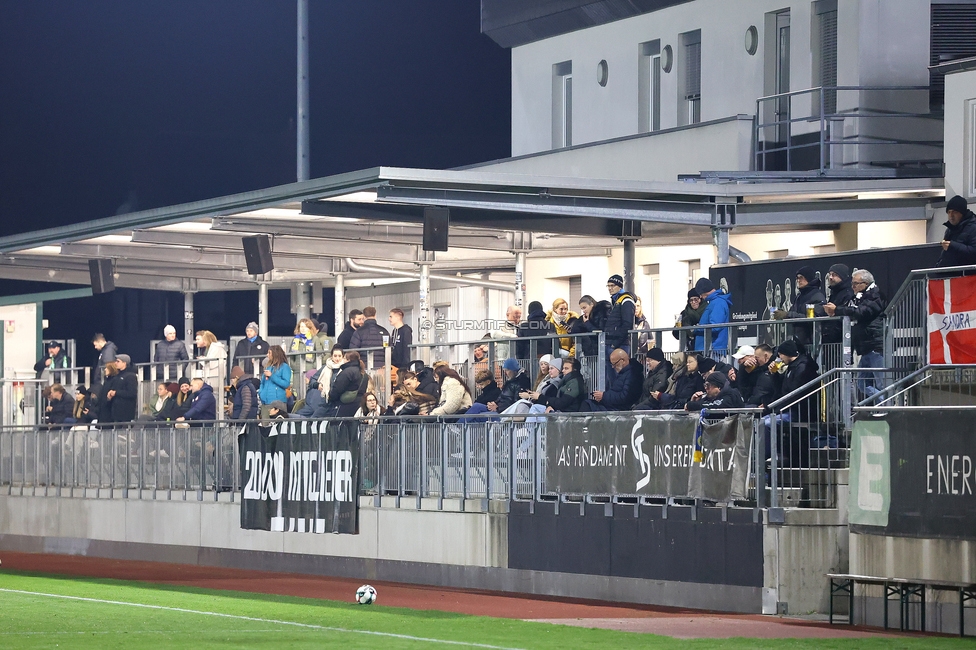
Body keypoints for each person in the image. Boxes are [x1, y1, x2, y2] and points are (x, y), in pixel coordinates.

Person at [825, 268, 886, 398]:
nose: (852, 287)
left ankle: (887, 408)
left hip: (876, 345)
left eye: (855, 284)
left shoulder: (876, 295)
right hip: (865, 347)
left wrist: (838, 310)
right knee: (862, 383)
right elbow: (853, 310)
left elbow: (861, 312)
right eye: (852, 284)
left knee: (882, 384)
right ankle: (883, 403)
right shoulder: (858, 297)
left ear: (865, 283)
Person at [774, 266, 826, 348]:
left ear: (808, 278)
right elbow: (794, 313)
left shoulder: (817, 296)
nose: (798, 280)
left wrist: (787, 315)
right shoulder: (799, 296)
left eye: (801, 278)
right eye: (797, 278)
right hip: (799, 342)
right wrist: (783, 314)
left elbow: (813, 319)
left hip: (811, 342)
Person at [462, 357, 530, 419]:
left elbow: (515, 403)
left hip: (505, 412)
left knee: (478, 414)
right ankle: (460, 428)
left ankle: (459, 428)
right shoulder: (510, 381)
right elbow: (503, 397)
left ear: (513, 370)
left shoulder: (522, 382)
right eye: (504, 370)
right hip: (501, 409)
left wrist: (498, 407)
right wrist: (495, 403)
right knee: (477, 408)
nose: (505, 373)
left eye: (507, 370)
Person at [316, 350, 368, 418]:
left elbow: (337, 389)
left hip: (344, 405)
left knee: (336, 426)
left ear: (348, 360)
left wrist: (330, 397)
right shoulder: (363, 373)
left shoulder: (346, 372)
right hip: (358, 405)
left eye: (344, 358)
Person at [814, 264, 855, 348]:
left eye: (835, 275)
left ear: (843, 276)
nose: (831, 277)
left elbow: (849, 312)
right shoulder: (835, 292)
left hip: (841, 338)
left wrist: (835, 310)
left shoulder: (848, 293)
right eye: (830, 274)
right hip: (831, 338)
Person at [692, 277, 733, 353]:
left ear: (704, 291)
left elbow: (715, 326)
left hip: (713, 349)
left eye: (700, 293)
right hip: (711, 349)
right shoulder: (716, 302)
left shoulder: (717, 303)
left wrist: (697, 329)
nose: (700, 296)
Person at [938, 195, 976, 267]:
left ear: (962, 213)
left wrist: (952, 246)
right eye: (949, 212)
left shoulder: (973, 228)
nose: (951, 215)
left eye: (954, 212)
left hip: (967, 275)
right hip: (952, 274)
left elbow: (974, 252)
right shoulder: (949, 230)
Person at [603, 275, 636, 357]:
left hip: (619, 344)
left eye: (612, 285)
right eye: (608, 285)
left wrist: (615, 344)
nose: (610, 288)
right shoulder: (616, 300)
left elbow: (627, 324)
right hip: (612, 343)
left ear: (620, 287)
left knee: (618, 368)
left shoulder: (626, 300)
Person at [258, 345, 292, 417]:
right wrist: (261, 393)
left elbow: (286, 384)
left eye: (269, 353)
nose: (267, 355)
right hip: (265, 402)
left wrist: (272, 376)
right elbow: (262, 383)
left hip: (278, 403)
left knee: (278, 425)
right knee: (265, 425)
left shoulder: (284, 367)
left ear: (275, 354)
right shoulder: (268, 367)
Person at [108, 354, 138, 423]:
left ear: (124, 363)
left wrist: (116, 392)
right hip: (116, 412)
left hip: (125, 413)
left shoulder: (130, 376)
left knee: (123, 432)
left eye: (118, 361)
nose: (115, 363)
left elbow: (132, 393)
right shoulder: (117, 376)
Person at [388, 308, 412, 380]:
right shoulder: (394, 331)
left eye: (391, 316)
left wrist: (405, 366)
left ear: (398, 317)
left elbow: (406, 348)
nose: (389, 319)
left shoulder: (406, 331)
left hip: (402, 365)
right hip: (394, 363)